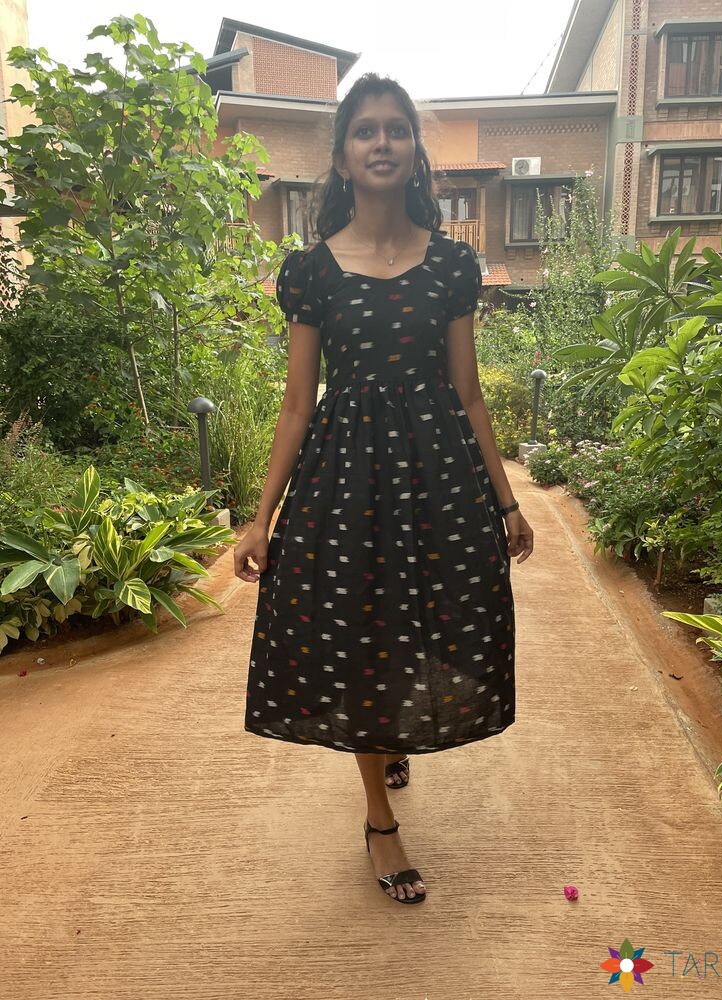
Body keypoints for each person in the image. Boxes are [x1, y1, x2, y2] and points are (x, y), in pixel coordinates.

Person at [234, 72, 535, 905]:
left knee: (434, 616)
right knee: (360, 632)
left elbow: (467, 392)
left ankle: (389, 739)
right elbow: (298, 403)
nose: (381, 142)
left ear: (413, 152)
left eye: (395, 129)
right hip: (346, 483)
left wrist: (506, 502)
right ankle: (379, 820)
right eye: (364, 130)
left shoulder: (452, 265)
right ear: (342, 158)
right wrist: (260, 519)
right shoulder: (310, 273)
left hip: (439, 479)